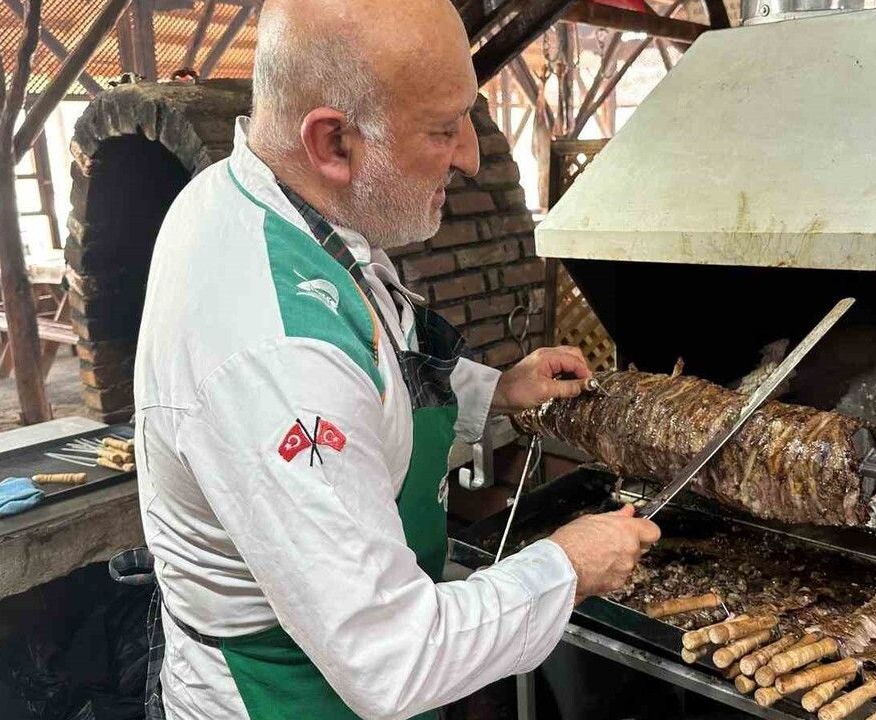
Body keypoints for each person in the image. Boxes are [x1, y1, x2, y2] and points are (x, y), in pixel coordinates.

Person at [132, 0, 660, 718]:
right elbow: (392, 657)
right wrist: (569, 565)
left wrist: (494, 392)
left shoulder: (273, 206)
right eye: (443, 129)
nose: (470, 156)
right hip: (289, 698)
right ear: (333, 142)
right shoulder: (275, 353)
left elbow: (370, 358)